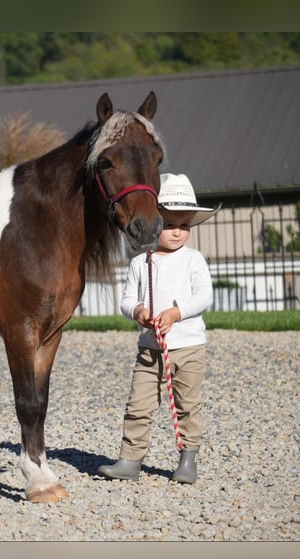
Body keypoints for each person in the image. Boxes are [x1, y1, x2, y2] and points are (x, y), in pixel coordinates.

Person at [98, 173, 221, 484]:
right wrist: (139, 311)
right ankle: (130, 459)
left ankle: (188, 458)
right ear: (155, 223)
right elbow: (126, 300)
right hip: (150, 349)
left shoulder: (194, 260)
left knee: (186, 404)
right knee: (138, 403)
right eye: (169, 224)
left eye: (184, 225)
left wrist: (176, 313)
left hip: (189, 347)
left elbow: (204, 297)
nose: (177, 232)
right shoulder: (141, 263)